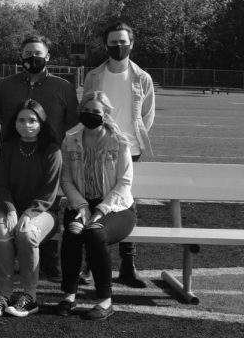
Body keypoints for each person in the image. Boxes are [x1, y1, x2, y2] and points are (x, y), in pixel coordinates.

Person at [0, 35, 80, 282]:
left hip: (48, 157)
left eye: (37, 53)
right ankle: (18, 267)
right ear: (20, 56)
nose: (32, 58)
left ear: (48, 56)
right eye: (27, 53)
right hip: (14, 155)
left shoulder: (63, 87)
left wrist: (49, 137)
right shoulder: (5, 86)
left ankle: (48, 266)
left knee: (47, 207)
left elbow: (71, 119)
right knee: (13, 208)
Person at [82, 21, 154, 288]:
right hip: (97, 146)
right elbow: (87, 109)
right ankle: (90, 266)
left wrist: (128, 141)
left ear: (131, 43)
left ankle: (128, 265)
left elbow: (147, 114)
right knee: (94, 201)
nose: (118, 46)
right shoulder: (93, 76)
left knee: (125, 204)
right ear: (106, 44)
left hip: (129, 151)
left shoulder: (142, 77)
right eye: (113, 42)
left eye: (123, 41)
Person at [57, 91, 135, 321]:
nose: (90, 115)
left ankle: (104, 300)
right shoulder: (70, 140)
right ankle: (69, 295)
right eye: (86, 111)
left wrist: (100, 209)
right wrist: (82, 207)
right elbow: (66, 180)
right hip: (80, 203)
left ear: (106, 115)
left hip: (116, 208)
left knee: (94, 233)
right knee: (73, 232)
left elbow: (125, 183)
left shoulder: (119, 142)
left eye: (96, 112)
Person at [0, 99, 62, 318]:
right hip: (8, 208)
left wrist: (28, 214)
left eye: (32, 120)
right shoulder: (8, 147)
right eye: (22, 120)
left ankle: (30, 296)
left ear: (41, 123)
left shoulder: (52, 150)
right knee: (2, 233)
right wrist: (10, 210)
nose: (27, 125)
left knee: (27, 234)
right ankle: (2, 295)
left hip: (44, 212)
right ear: (14, 122)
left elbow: (48, 193)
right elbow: (0, 185)